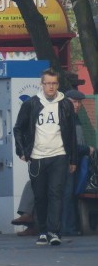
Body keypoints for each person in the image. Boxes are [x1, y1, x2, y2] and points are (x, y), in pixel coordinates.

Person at [13, 68, 78, 246]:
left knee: (56, 193)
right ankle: (42, 231)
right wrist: (22, 151)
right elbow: (18, 128)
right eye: (48, 83)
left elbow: (71, 133)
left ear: (58, 84)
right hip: (37, 156)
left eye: (54, 83)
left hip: (59, 155)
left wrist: (73, 159)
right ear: (42, 84)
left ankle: (54, 232)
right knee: (40, 196)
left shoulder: (65, 104)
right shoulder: (31, 104)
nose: (51, 87)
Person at [61, 89, 94, 236]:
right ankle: (67, 227)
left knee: (71, 194)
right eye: (74, 101)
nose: (77, 105)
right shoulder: (64, 118)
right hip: (67, 162)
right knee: (67, 194)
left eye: (79, 102)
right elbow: (68, 144)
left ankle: (72, 226)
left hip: (76, 161)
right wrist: (87, 149)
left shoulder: (76, 118)